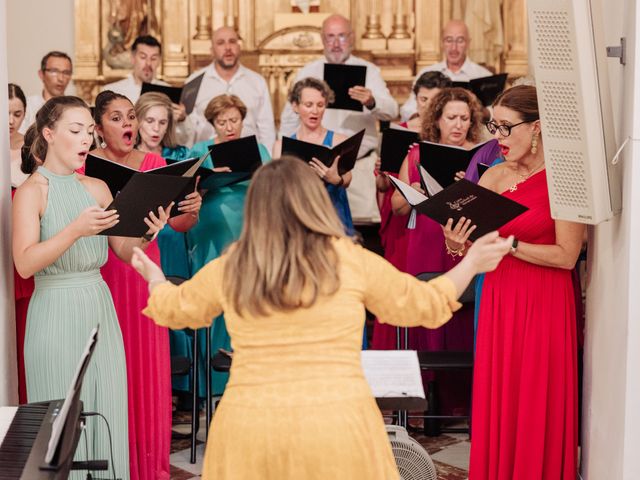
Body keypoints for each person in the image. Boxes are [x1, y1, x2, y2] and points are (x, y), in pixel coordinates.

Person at [130, 157, 512, 480]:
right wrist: (473, 262)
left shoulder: (235, 265)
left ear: (257, 207)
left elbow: (174, 309)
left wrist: (155, 278)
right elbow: (425, 305)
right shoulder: (349, 259)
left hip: (251, 426)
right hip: (338, 422)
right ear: (313, 201)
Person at [13, 96, 170, 480]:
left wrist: (150, 231)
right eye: (75, 130)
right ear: (49, 134)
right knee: (61, 423)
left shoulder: (98, 187)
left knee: (106, 412)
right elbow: (25, 262)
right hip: (54, 312)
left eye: (88, 131)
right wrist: (75, 230)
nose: (85, 139)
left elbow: (124, 252)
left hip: (99, 310)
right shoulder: (33, 191)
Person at [444, 85, 583, 479]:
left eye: (506, 128)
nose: (498, 138)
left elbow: (567, 256)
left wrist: (510, 244)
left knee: (537, 396)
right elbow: (467, 242)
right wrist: (455, 243)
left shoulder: (565, 177)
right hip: (499, 298)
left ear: (536, 127)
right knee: (500, 396)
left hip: (545, 303)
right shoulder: (492, 176)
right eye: (494, 127)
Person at [88, 90, 202, 480]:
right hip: (102, 273)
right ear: (99, 127)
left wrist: (192, 210)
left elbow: (179, 224)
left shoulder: (155, 163)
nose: (128, 125)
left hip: (142, 273)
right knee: (109, 367)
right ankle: (112, 460)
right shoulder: (85, 166)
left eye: (131, 117)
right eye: (117, 118)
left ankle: (149, 462)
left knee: (148, 369)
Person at [390, 87, 483, 414]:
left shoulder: (481, 156)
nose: (458, 125)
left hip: (464, 240)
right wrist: (412, 191)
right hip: (427, 240)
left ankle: (464, 401)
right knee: (429, 316)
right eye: (451, 118)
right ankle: (430, 401)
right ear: (438, 120)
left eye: (464, 118)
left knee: (462, 316)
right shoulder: (416, 153)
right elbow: (397, 206)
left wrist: (470, 186)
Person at [183, 93, 270, 396]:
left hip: (248, 237)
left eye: (234, 120)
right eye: (222, 121)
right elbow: (184, 194)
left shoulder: (257, 149)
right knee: (212, 307)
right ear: (212, 123)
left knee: (246, 309)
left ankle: (248, 389)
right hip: (208, 237)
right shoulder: (199, 150)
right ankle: (211, 396)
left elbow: (272, 188)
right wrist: (205, 182)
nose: (229, 126)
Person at [280, 14, 398, 223]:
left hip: (358, 166)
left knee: (361, 233)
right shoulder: (309, 71)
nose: (336, 43)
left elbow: (392, 110)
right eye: (330, 37)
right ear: (322, 39)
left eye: (342, 36)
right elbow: (289, 119)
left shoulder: (369, 70)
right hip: (314, 172)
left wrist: (371, 101)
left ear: (351, 38)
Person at [370, 71, 452, 349]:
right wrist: (382, 175)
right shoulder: (401, 132)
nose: (427, 106)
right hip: (403, 216)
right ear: (415, 99)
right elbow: (385, 187)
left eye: (434, 100)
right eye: (423, 99)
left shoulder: (448, 134)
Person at [273, 77, 354, 234]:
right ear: (295, 106)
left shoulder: (339, 140)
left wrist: (336, 180)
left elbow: (348, 178)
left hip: (333, 213)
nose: (315, 111)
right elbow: (277, 187)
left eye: (320, 105)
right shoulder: (281, 146)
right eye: (308, 105)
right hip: (297, 217)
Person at [184, 26, 276, 151]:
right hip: (207, 159)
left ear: (239, 47)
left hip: (249, 156)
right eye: (221, 43)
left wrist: (266, 163)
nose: (227, 48)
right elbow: (188, 129)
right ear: (212, 50)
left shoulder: (257, 82)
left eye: (232, 41)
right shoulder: (194, 82)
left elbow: (266, 128)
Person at [103, 35, 192, 146]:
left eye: (153, 58)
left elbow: (182, 139)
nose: (148, 64)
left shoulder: (169, 92)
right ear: (133, 58)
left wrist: (182, 120)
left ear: (159, 60)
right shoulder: (112, 91)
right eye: (143, 57)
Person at [400, 20, 492, 121]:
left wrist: (482, 111)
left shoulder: (484, 75)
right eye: (449, 40)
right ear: (441, 43)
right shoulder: (426, 73)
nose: (454, 47)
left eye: (460, 40)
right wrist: (420, 120)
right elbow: (407, 109)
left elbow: (496, 113)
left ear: (468, 43)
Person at [20, 51, 74, 134]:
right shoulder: (27, 106)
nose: (61, 78)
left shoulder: (75, 107)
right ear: (41, 74)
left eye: (66, 72)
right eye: (54, 71)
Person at [134, 91, 190, 160]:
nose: (156, 128)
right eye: (150, 121)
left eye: (162, 122)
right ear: (137, 121)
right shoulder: (124, 155)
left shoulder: (181, 155)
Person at [8, 83, 28, 187]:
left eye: (17, 114)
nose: (11, 121)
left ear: (24, 113)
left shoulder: (31, 147)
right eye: (4, 113)